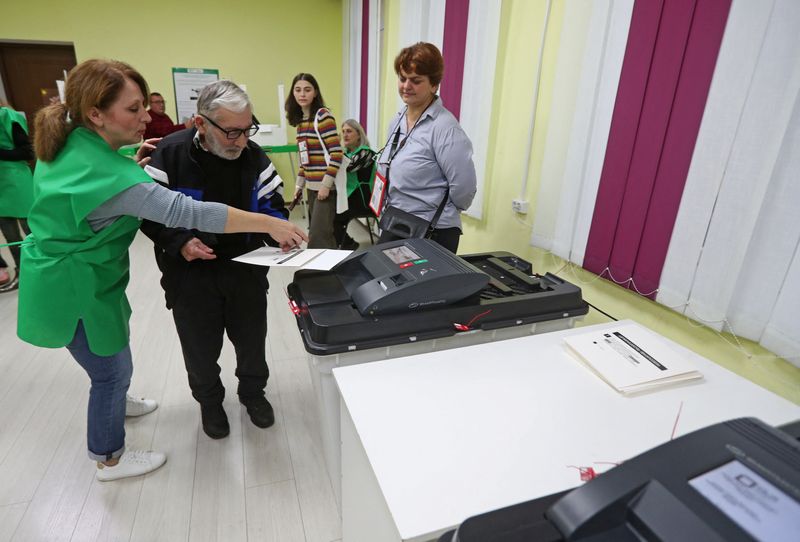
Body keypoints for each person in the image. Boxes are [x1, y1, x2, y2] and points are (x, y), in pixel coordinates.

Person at [17, 59, 307, 482]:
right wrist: (265, 225)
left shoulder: (71, 142)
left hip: (223, 276)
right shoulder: (153, 158)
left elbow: (103, 190)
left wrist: (269, 224)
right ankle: (110, 456)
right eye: (134, 109)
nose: (147, 117)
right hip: (83, 282)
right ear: (96, 114)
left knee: (127, 358)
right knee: (113, 370)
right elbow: (175, 211)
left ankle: (142, 397)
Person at [140, 80, 287, 440]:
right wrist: (179, 241)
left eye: (247, 129)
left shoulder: (254, 157)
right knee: (200, 347)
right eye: (232, 131)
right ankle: (209, 401)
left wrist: (280, 232)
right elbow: (147, 213)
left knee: (252, 340)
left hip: (246, 268)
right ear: (201, 124)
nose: (240, 139)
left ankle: (253, 394)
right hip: (190, 274)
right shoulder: (169, 155)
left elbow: (274, 207)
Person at [375, 42, 477, 253]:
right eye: (402, 78)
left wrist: (434, 208)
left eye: (416, 80)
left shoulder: (445, 129)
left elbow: (464, 190)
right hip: (396, 221)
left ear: (434, 85)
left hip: (432, 231)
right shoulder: (398, 120)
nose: (406, 86)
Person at [285, 73, 343, 248]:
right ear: (293, 94)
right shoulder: (300, 122)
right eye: (298, 90)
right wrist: (298, 186)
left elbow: (336, 153)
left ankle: (320, 273)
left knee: (318, 236)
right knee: (321, 233)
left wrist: (326, 185)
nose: (302, 94)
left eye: (307, 90)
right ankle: (330, 270)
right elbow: (305, 159)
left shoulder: (323, 116)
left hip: (324, 188)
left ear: (315, 93)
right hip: (311, 187)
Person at [0, 101, 34, 292]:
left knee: (32, 232)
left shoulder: (8, 117)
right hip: (1, 186)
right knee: (10, 235)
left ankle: (40, 272)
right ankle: (22, 274)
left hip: (17, 181)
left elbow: (26, 151)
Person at [333, 119, 376, 250]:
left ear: (359, 135)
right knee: (325, 212)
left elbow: (348, 167)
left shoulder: (366, 152)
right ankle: (344, 243)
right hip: (350, 198)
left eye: (349, 131)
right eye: (343, 132)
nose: (345, 135)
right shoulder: (346, 153)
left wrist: (333, 158)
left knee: (331, 216)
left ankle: (348, 244)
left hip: (363, 200)